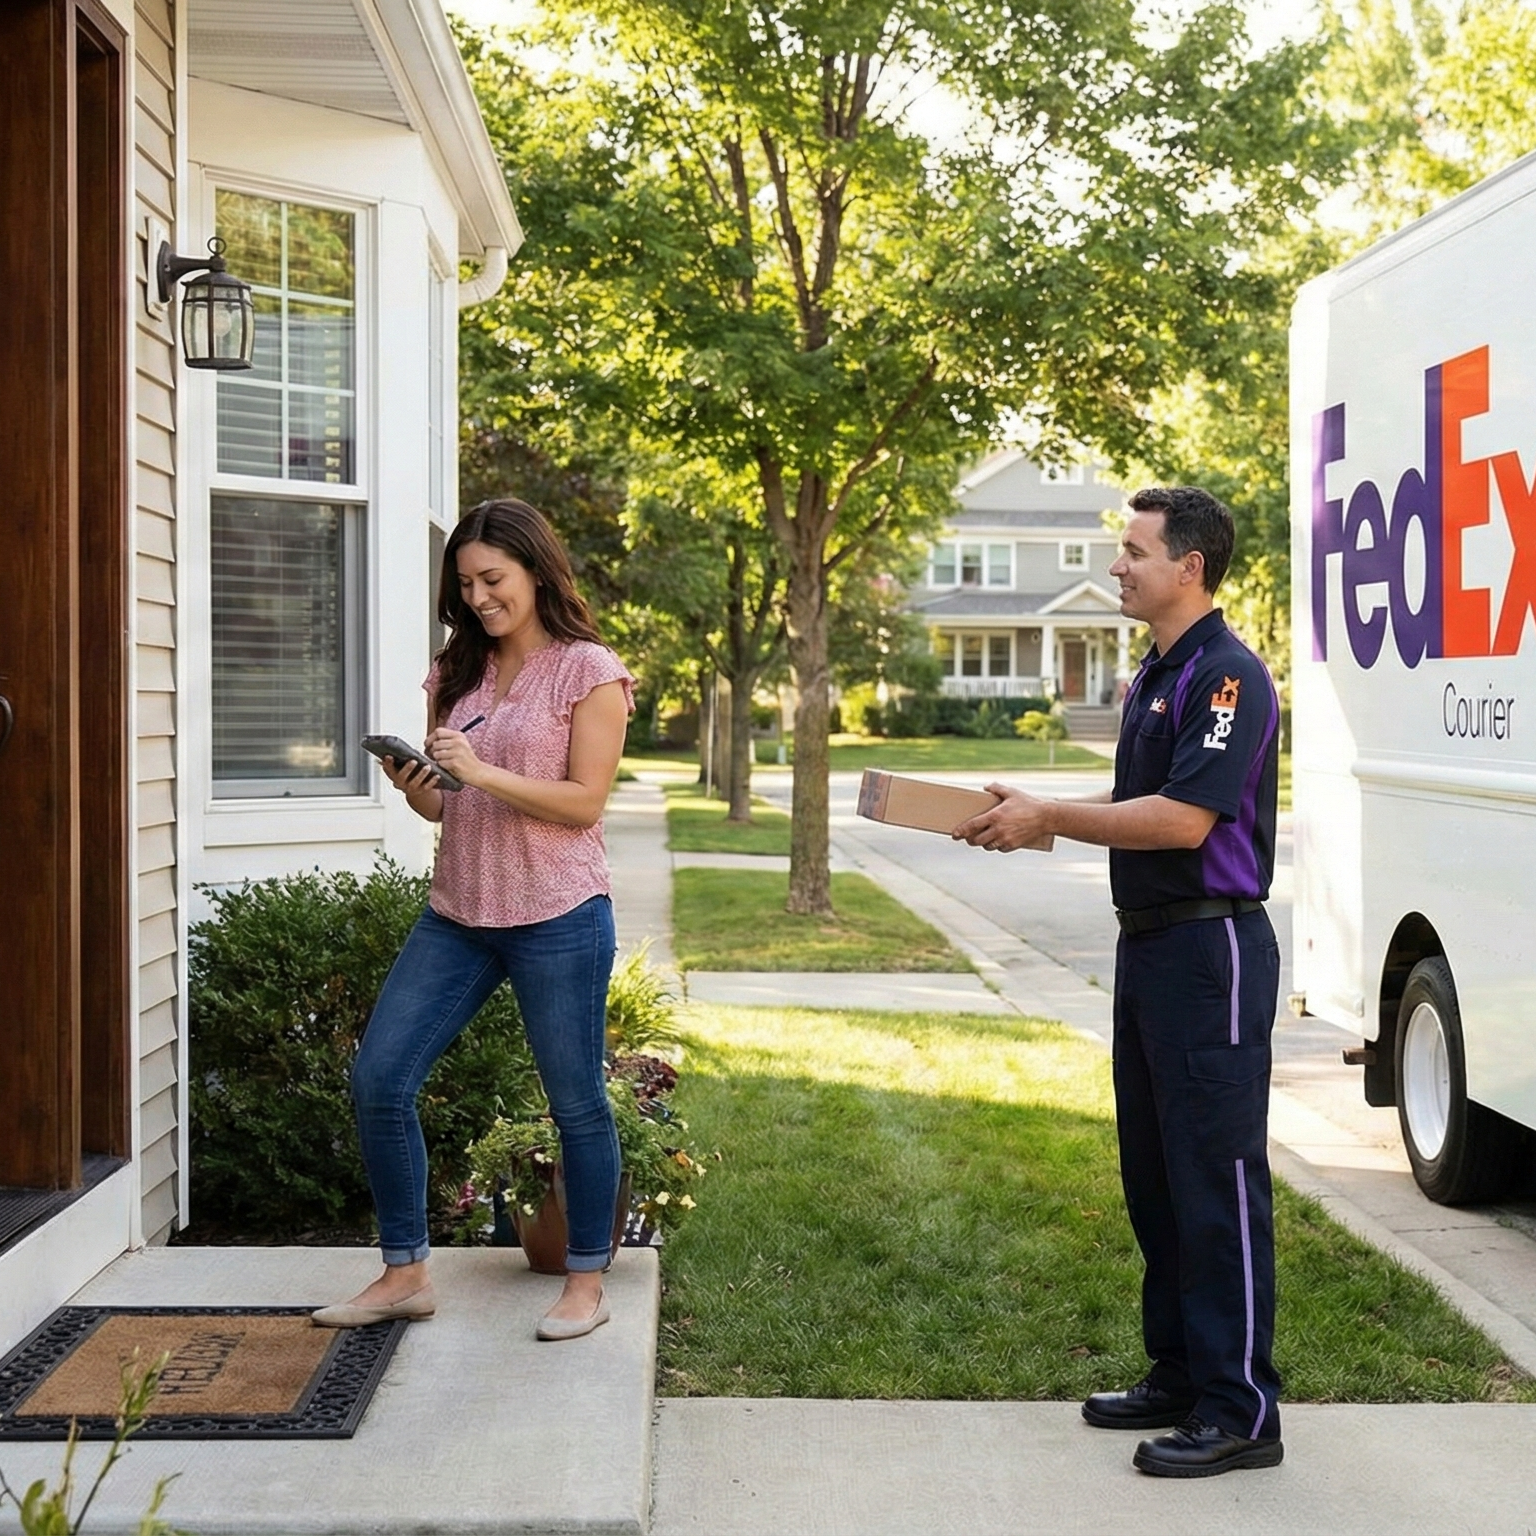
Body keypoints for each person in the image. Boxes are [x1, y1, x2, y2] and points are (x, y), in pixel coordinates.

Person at [954, 486, 1283, 1478]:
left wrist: (1050, 816)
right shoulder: (1156, 673)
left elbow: (1185, 821)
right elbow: (1141, 800)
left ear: (1190, 566)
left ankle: (1242, 1412)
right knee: (1155, 1174)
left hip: (1210, 953)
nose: (1118, 566)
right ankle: (1181, 1373)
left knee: (1217, 1183)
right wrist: (1040, 804)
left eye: (1135, 551)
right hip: (1149, 949)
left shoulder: (1227, 678)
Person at [313, 498, 634, 1342]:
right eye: (466, 582)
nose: (481, 596)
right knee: (380, 1078)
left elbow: (584, 803)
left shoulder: (589, 670)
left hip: (559, 910)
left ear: (535, 569)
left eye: (494, 578)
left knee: (576, 1104)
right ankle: (405, 1272)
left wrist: (484, 773)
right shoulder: (454, 672)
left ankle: (585, 1282)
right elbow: (444, 811)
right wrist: (423, 791)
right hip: (459, 911)